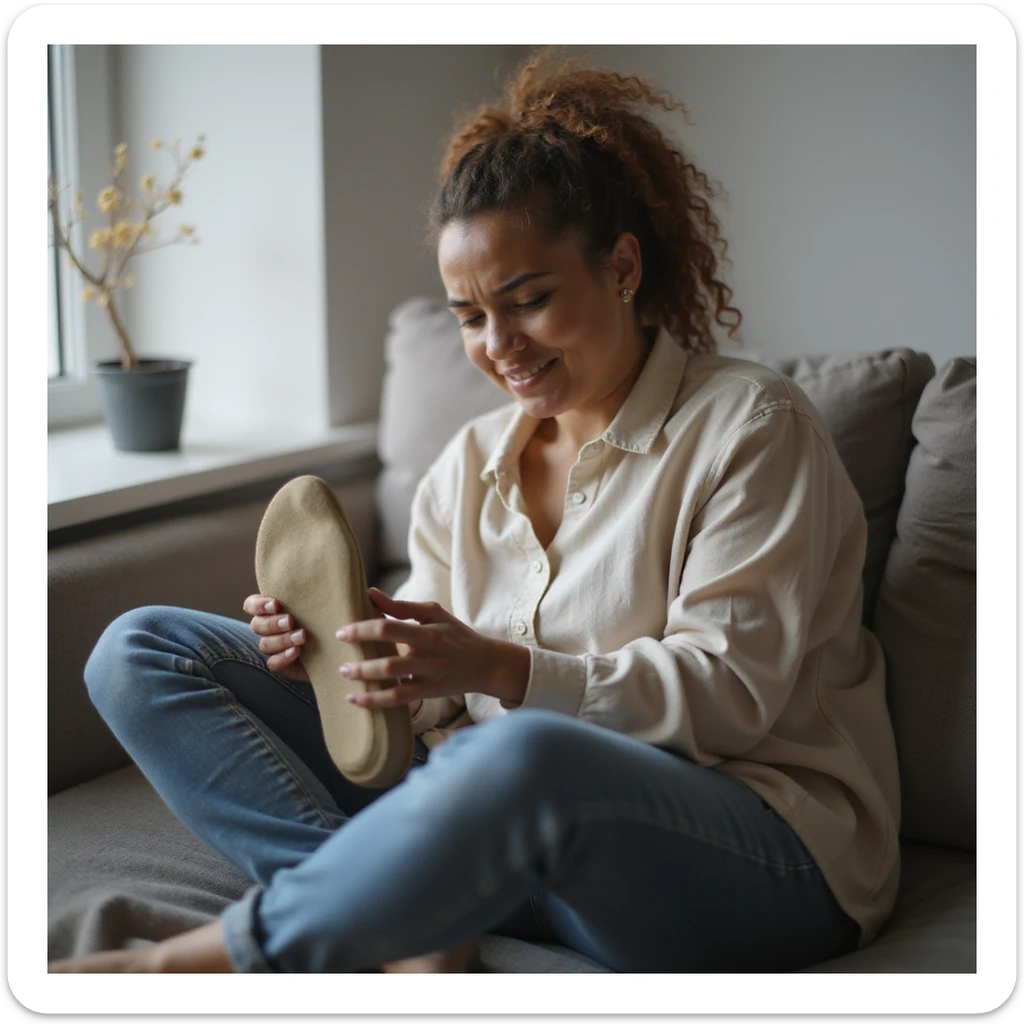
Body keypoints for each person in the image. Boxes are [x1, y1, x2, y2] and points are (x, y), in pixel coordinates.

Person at [49, 51, 899, 974]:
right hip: (496, 821)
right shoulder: (467, 464)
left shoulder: (753, 426)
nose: (499, 345)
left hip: (755, 854)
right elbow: (438, 706)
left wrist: (500, 666)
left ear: (621, 267)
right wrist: (343, 664)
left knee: (520, 754)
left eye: (527, 301)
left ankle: (186, 963)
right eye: (468, 316)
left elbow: (730, 699)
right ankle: (398, 922)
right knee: (141, 650)